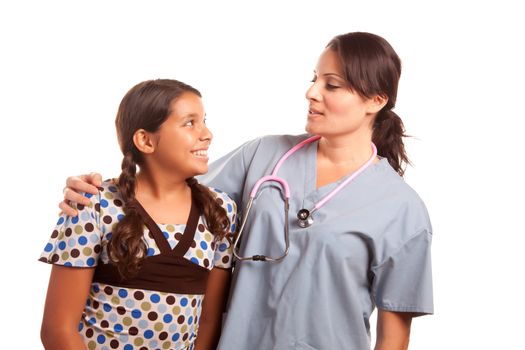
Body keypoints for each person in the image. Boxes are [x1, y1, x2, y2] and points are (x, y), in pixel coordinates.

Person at [59, 32, 433, 350]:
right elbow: (167, 194)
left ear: (376, 101)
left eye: (331, 85)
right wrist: (97, 193)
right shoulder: (263, 155)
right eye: (314, 78)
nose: (311, 92)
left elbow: (394, 332)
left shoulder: (401, 209)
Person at [40, 79, 237, 350]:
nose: (207, 134)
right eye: (190, 122)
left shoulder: (220, 210)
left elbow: (209, 322)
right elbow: (58, 330)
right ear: (145, 140)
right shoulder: (94, 205)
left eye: (204, 120)